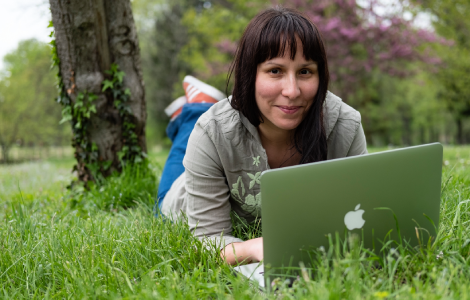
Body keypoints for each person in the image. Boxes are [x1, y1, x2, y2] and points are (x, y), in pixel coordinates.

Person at [157, 6, 367, 265]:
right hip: (181, 194)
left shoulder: (344, 125)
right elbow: (207, 239)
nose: (292, 91)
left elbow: (362, 215)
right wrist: (253, 249)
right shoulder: (211, 131)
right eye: (275, 71)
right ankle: (193, 109)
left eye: (305, 72)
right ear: (250, 74)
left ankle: (202, 104)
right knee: (194, 133)